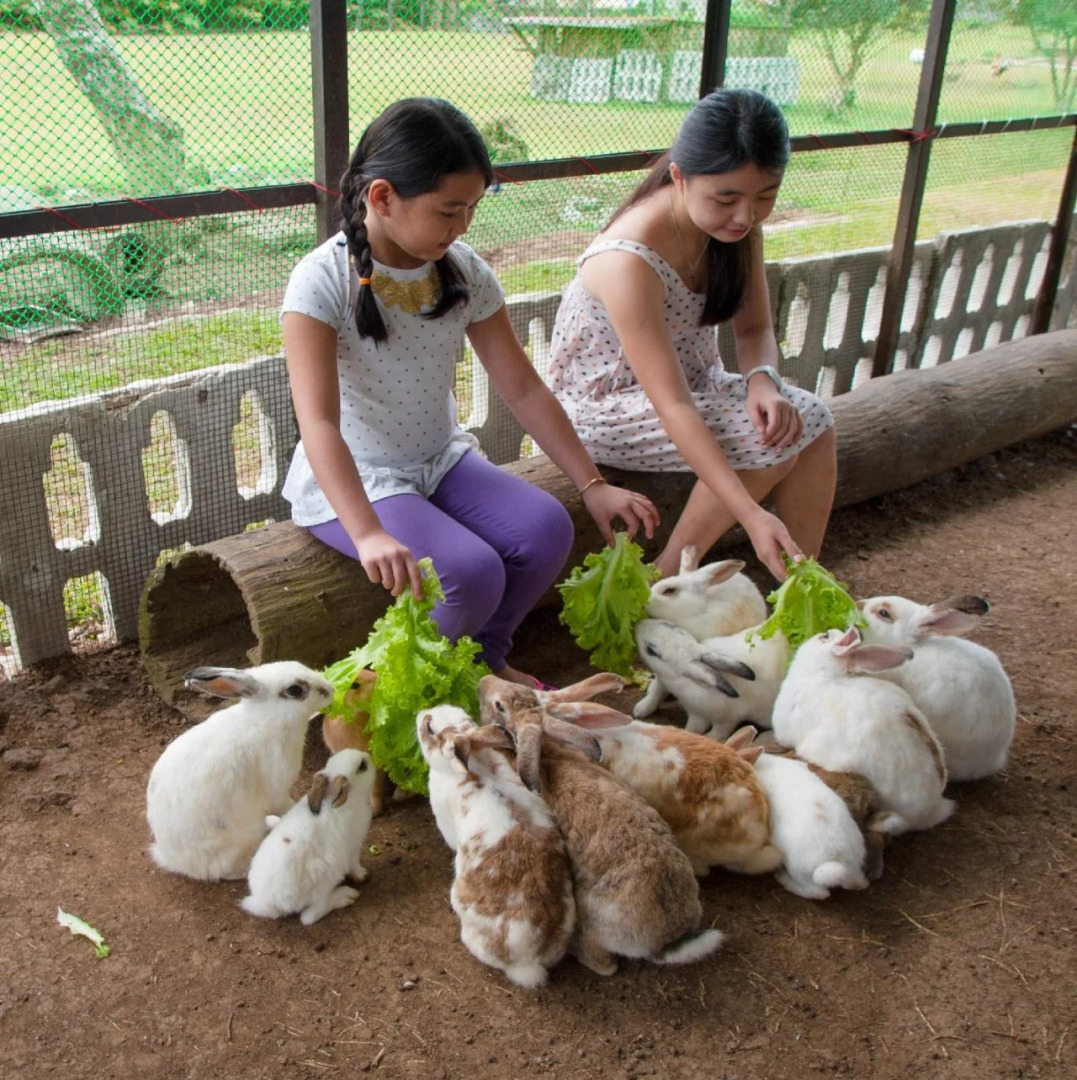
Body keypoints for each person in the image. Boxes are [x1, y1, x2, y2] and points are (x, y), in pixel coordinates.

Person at [280, 97, 659, 686]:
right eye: (448, 211)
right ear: (382, 197)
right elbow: (319, 424)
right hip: (359, 478)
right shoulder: (319, 281)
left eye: (472, 209)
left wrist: (593, 485)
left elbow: (523, 386)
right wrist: (367, 531)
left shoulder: (461, 271)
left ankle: (483, 660)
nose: (462, 228)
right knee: (471, 571)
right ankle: (409, 690)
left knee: (547, 528)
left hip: (438, 459)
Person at [547, 88, 837, 582]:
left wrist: (763, 380)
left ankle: (801, 586)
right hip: (607, 408)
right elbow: (673, 405)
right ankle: (666, 576)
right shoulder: (627, 259)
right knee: (765, 435)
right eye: (727, 198)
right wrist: (750, 513)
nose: (746, 215)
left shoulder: (735, 228)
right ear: (679, 176)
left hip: (693, 387)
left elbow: (756, 329)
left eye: (765, 197)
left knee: (811, 419)